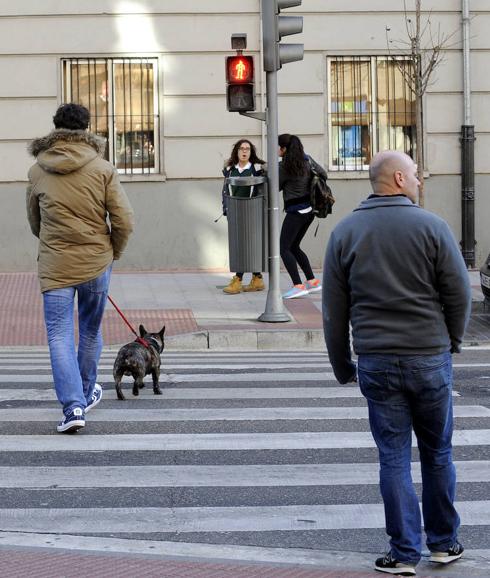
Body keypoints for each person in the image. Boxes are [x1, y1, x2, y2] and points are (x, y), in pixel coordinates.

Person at [322, 150, 471, 576]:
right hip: (428, 356)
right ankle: (443, 544)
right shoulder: (433, 226)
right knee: (438, 452)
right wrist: (452, 340)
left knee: (393, 457)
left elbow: (335, 310)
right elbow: (459, 292)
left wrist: (341, 365)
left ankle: (404, 553)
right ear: (401, 179)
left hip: (377, 359)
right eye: (417, 175)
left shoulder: (346, 232)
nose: (421, 181)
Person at [26, 103, 134, 434]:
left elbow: (35, 222)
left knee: (59, 334)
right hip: (95, 262)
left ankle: (73, 406)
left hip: (56, 264)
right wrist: (112, 251)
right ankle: (85, 395)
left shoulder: (38, 170)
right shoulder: (102, 168)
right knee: (90, 330)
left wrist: (53, 242)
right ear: (87, 129)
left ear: (55, 128)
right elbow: (124, 220)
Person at [278, 133, 325, 299]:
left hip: (296, 212)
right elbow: (323, 173)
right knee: (294, 246)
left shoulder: (285, 166)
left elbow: (275, 186)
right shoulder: (308, 160)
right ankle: (312, 281)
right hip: (310, 211)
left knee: (283, 248)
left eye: (278, 147)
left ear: (284, 149)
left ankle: (298, 285)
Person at [222, 139, 266, 294]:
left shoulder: (256, 169)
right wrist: (225, 208)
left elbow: (262, 190)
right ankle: (257, 278)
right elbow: (225, 190)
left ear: (251, 152)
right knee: (240, 244)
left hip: (252, 212)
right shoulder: (229, 169)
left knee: (249, 244)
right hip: (235, 212)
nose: (244, 151)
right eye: (241, 148)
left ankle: (238, 280)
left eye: (247, 148)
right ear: (237, 151)